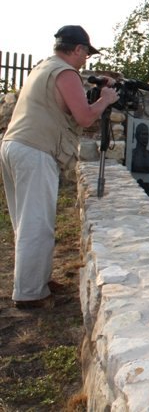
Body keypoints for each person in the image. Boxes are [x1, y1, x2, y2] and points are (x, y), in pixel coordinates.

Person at [1, 25, 118, 309]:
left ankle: (36, 280)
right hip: (35, 150)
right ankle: (30, 294)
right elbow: (85, 117)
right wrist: (105, 100)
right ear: (77, 49)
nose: (86, 60)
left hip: (16, 144)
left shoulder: (45, 67)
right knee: (37, 225)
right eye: (86, 53)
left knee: (26, 221)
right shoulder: (66, 73)